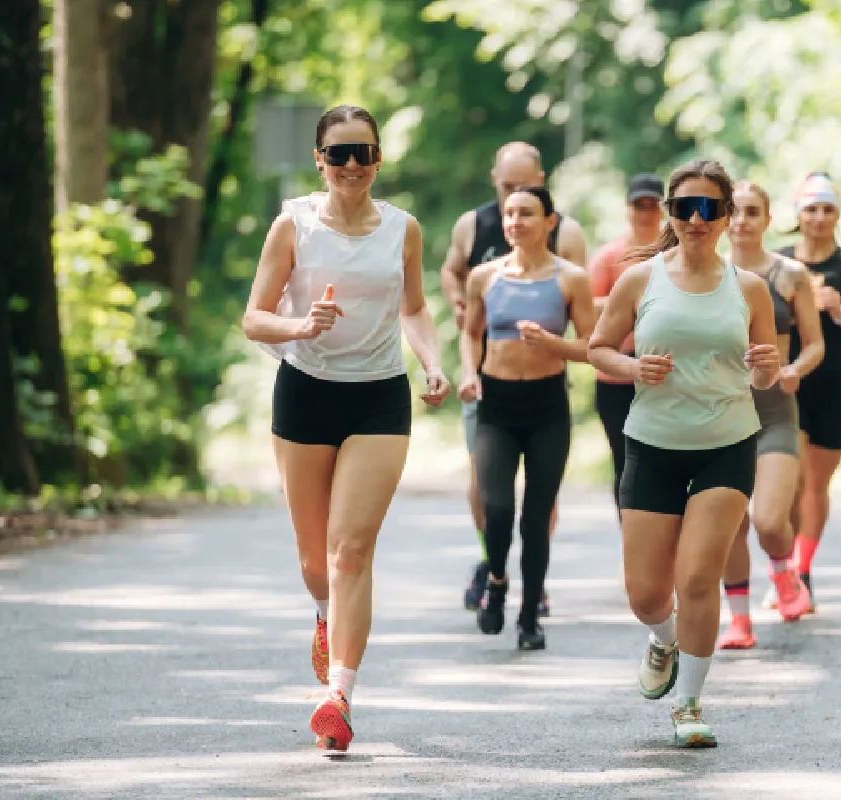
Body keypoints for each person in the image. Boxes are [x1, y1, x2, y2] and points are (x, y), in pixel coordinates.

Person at [242, 105, 450, 751]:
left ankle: (340, 695)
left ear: (379, 159)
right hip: (305, 394)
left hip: (379, 398)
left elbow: (414, 307)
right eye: (339, 155)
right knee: (315, 563)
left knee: (350, 549)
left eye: (363, 153)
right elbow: (253, 318)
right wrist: (301, 327)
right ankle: (326, 616)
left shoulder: (403, 230)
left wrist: (433, 361)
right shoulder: (293, 224)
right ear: (319, 161)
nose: (352, 166)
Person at [589, 159, 783, 748]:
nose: (696, 219)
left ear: (727, 217)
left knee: (698, 576)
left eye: (709, 209)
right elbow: (598, 349)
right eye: (684, 208)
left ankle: (690, 703)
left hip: (726, 444)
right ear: (670, 215)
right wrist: (631, 365)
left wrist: (769, 367)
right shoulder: (640, 280)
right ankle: (663, 638)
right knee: (647, 593)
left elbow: (766, 372)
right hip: (651, 444)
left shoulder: (749, 287)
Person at [440, 142, 588, 613]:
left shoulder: (568, 248)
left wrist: (554, 344)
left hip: (546, 398)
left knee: (538, 511)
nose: (515, 215)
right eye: (507, 199)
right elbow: (457, 292)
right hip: (491, 394)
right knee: (491, 499)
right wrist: (466, 363)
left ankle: (531, 599)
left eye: (526, 201)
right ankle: (494, 567)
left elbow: (592, 337)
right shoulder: (477, 243)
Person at [763, 173, 841, 613]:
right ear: (797, 214)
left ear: (838, 214)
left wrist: (840, 311)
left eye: (827, 209)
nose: (818, 217)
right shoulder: (776, 262)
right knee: (788, 483)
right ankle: (785, 573)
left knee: (815, 484)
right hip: (786, 380)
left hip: (830, 381)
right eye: (810, 209)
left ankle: (802, 568)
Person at [716, 180, 825, 650]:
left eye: (752, 212)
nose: (741, 221)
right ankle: (738, 620)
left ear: (768, 219)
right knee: (728, 526)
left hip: (776, 410)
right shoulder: (705, 275)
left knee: (767, 520)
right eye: (734, 212)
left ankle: (785, 575)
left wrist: (795, 368)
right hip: (720, 414)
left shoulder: (790, 274)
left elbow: (816, 341)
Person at [588, 173, 665, 512]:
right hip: (617, 373)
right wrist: (633, 300)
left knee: (662, 457)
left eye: (652, 204)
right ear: (627, 209)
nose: (645, 212)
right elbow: (587, 307)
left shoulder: (675, 253)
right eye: (639, 205)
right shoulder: (609, 257)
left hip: (665, 369)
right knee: (625, 459)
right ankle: (631, 544)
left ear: (663, 210)